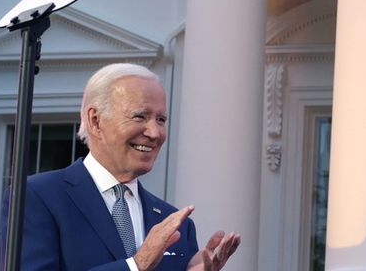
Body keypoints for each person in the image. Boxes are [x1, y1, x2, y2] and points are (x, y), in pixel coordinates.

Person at [21, 63, 240, 271]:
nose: (154, 133)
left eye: (161, 120)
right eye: (140, 116)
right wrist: (136, 265)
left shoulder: (176, 224)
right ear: (95, 121)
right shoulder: (37, 197)